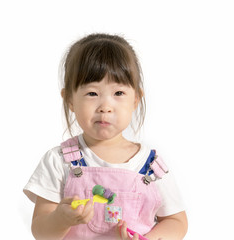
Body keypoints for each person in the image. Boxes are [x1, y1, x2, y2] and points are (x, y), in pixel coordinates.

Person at [23, 33, 188, 240]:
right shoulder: (58, 161)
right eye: (92, 93)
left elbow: (176, 221)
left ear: (136, 99)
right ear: (70, 100)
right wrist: (60, 219)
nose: (105, 107)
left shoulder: (151, 167)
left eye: (118, 93)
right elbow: (41, 231)